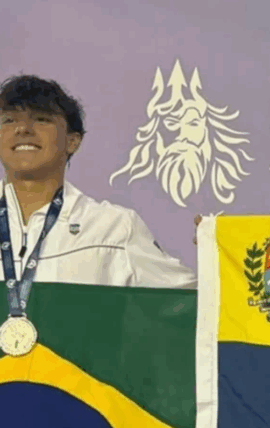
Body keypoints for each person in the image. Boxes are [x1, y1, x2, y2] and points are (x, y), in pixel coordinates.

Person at [0, 74, 195, 289]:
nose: (23, 129)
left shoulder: (113, 227)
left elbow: (196, 301)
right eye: (9, 120)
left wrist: (219, 247)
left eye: (41, 119)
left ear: (72, 141)